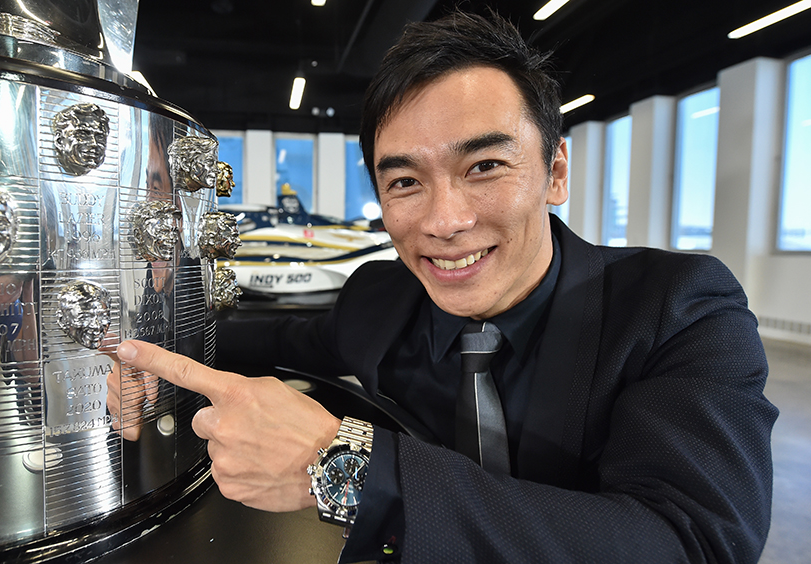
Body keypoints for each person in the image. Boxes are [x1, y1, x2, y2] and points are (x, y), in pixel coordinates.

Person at [113, 10, 777, 563]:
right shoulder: (382, 299)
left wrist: (349, 469)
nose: (445, 221)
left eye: (485, 165)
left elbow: (693, 542)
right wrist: (149, 356)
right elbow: (270, 337)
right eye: (404, 182)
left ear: (555, 173)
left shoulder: (677, 308)